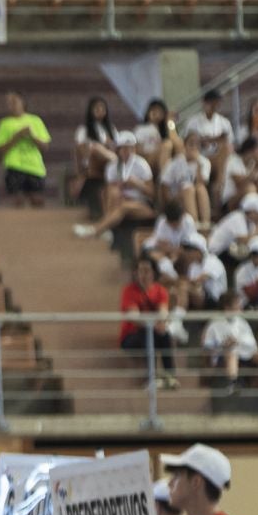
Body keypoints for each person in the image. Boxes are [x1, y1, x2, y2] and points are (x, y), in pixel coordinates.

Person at [73, 131, 155, 242]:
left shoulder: (142, 165)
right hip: (120, 199)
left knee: (124, 206)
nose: (127, 152)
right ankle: (109, 230)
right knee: (111, 193)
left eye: (130, 148)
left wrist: (137, 184)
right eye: (124, 149)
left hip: (143, 204)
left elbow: (152, 193)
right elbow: (109, 190)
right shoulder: (112, 167)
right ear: (118, 150)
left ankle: (95, 230)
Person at [202, 289, 258, 395]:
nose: (240, 307)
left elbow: (252, 343)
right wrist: (223, 345)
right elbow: (207, 347)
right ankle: (233, 384)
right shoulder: (214, 324)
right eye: (237, 305)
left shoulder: (241, 321)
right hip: (224, 357)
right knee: (231, 352)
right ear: (227, 307)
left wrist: (239, 341)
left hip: (245, 353)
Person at [117, 257, 176, 385]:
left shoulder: (160, 290)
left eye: (147, 271)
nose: (144, 275)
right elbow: (135, 317)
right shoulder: (129, 291)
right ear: (136, 273)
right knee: (148, 335)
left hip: (153, 332)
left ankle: (170, 377)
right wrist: (154, 325)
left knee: (165, 335)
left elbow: (163, 312)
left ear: (153, 273)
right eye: (141, 271)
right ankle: (152, 378)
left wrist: (161, 323)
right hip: (131, 338)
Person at [0, 91, 51, 208]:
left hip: (35, 166)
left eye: (14, 101)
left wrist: (32, 136)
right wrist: (16, 137)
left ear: (23, 102)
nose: (11, 105)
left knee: (37, 200)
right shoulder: (4, 124)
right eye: (8, 103)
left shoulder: (35, 120)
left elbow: (45, 146)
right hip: (14, 166)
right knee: (17, 200)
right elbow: (0, 149)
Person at [72, 96, 118, 207]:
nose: (100, 111)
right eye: (97, 108)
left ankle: (115, 163)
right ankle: (115, 162)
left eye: (103, 108)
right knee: (95, 148)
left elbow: (117, 148)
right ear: (91, 111)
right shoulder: (83, 130)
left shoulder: (111, 129)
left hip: (108, 163)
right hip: (92, 165)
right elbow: (81, 153)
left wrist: (109, 145)